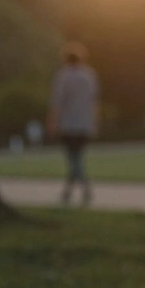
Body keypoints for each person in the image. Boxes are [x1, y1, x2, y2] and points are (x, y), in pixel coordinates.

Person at [48, 42, 100, 205]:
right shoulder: (90, 76)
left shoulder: (63, 77)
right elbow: (94, 102)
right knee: (76, 158)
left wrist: (52, 122)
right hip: (85, 123)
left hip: (69, 124)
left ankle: (83, 189)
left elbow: (57, 103)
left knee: (73, 159)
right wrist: (95, 121)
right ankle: (68, 192)